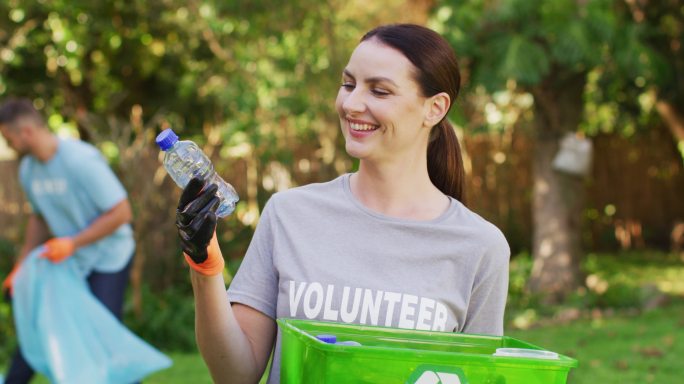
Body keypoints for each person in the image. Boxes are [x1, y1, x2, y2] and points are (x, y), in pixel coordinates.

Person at [175, 24, 510, 383]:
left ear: (435, 108)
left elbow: (479, 377)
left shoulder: (480, 247)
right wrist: (205, 268)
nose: (351, 104)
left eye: (379, 91)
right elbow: (235, 375)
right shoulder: (290, 214)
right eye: (348, 84)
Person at [0, 98, 136, 384]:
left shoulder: (80, 160)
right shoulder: (29, 170)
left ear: (25, 132)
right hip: (71, 259)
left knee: (102, 335)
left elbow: (122, 213)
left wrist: (72, 243)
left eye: (7, 137)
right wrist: (21, 265)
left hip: (109, 257)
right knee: (41, 322)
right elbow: (39, 218)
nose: (7, 145)